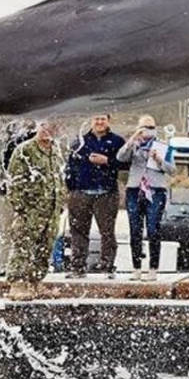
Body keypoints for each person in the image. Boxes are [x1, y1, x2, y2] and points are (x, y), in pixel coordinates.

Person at [5, 121, 66, 300]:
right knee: (23, 246)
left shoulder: (55, 150)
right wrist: (21, 209)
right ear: (37, 127)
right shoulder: (25, 150)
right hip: (30, 210)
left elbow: (58, 178)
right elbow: (14, 182)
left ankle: (35, 283)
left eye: (53, 127)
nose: (49, 130)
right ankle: (17, 285)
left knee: (45, 248)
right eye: (45, 125)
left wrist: (61, 201)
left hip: (51, 210)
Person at [64, 114, 125, 279]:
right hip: (80, 193)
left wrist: (107, 161)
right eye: (96, 119)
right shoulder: (79, 141)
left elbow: (126, 164)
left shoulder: (118, 141)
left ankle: (107, 267)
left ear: (108, 121)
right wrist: (71, 188)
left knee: (107, 232)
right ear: (91, 121)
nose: (99, 122)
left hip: (107, 193)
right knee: (78, 231)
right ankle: (77, 267)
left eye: (102, 119)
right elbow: (69, 166)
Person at [116, 115, 175, 281]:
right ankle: (136, 268)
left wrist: (158, 159)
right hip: (135, 189)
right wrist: (133, 139)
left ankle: (153, 268)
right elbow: (120, 158)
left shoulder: (163, 145)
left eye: (151, 127)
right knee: (135, 229)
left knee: (153, 229)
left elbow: (172, 170)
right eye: (144, 127)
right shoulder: (134, 145)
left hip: (156, 190)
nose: (148, 130)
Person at [0, 120, 36, 277]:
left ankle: (23, 265)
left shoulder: (32, 139)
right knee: (5, 230)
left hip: (26, 193)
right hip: (5, 193)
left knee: (25, 230)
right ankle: (4, 265)